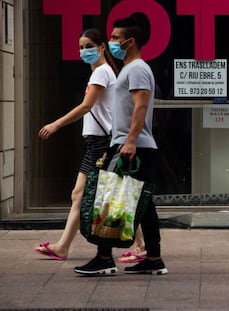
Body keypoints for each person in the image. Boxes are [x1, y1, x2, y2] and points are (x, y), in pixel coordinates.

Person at [74, 15, 167, 275]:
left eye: (115, 38)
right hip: (128, 143)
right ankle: (153, 259)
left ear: (130, 41)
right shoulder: (128, 68)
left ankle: (104, 258)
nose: (112, 42)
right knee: (143, 204)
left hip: (134, 146)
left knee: (110, 199)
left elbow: (141, 106)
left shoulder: (137, 68)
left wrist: (129, 141)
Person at [34, 28, 118, 260]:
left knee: (87, 195)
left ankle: (63, 246)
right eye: (81, 48)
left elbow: (85, 106)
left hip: (100, 144)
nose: (84, 52)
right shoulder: (102, 72)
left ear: (102, 47)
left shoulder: (101, 73)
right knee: (87, 195)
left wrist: (56, 124)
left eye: (89, 47)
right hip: (97, 143)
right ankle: (63, 246)